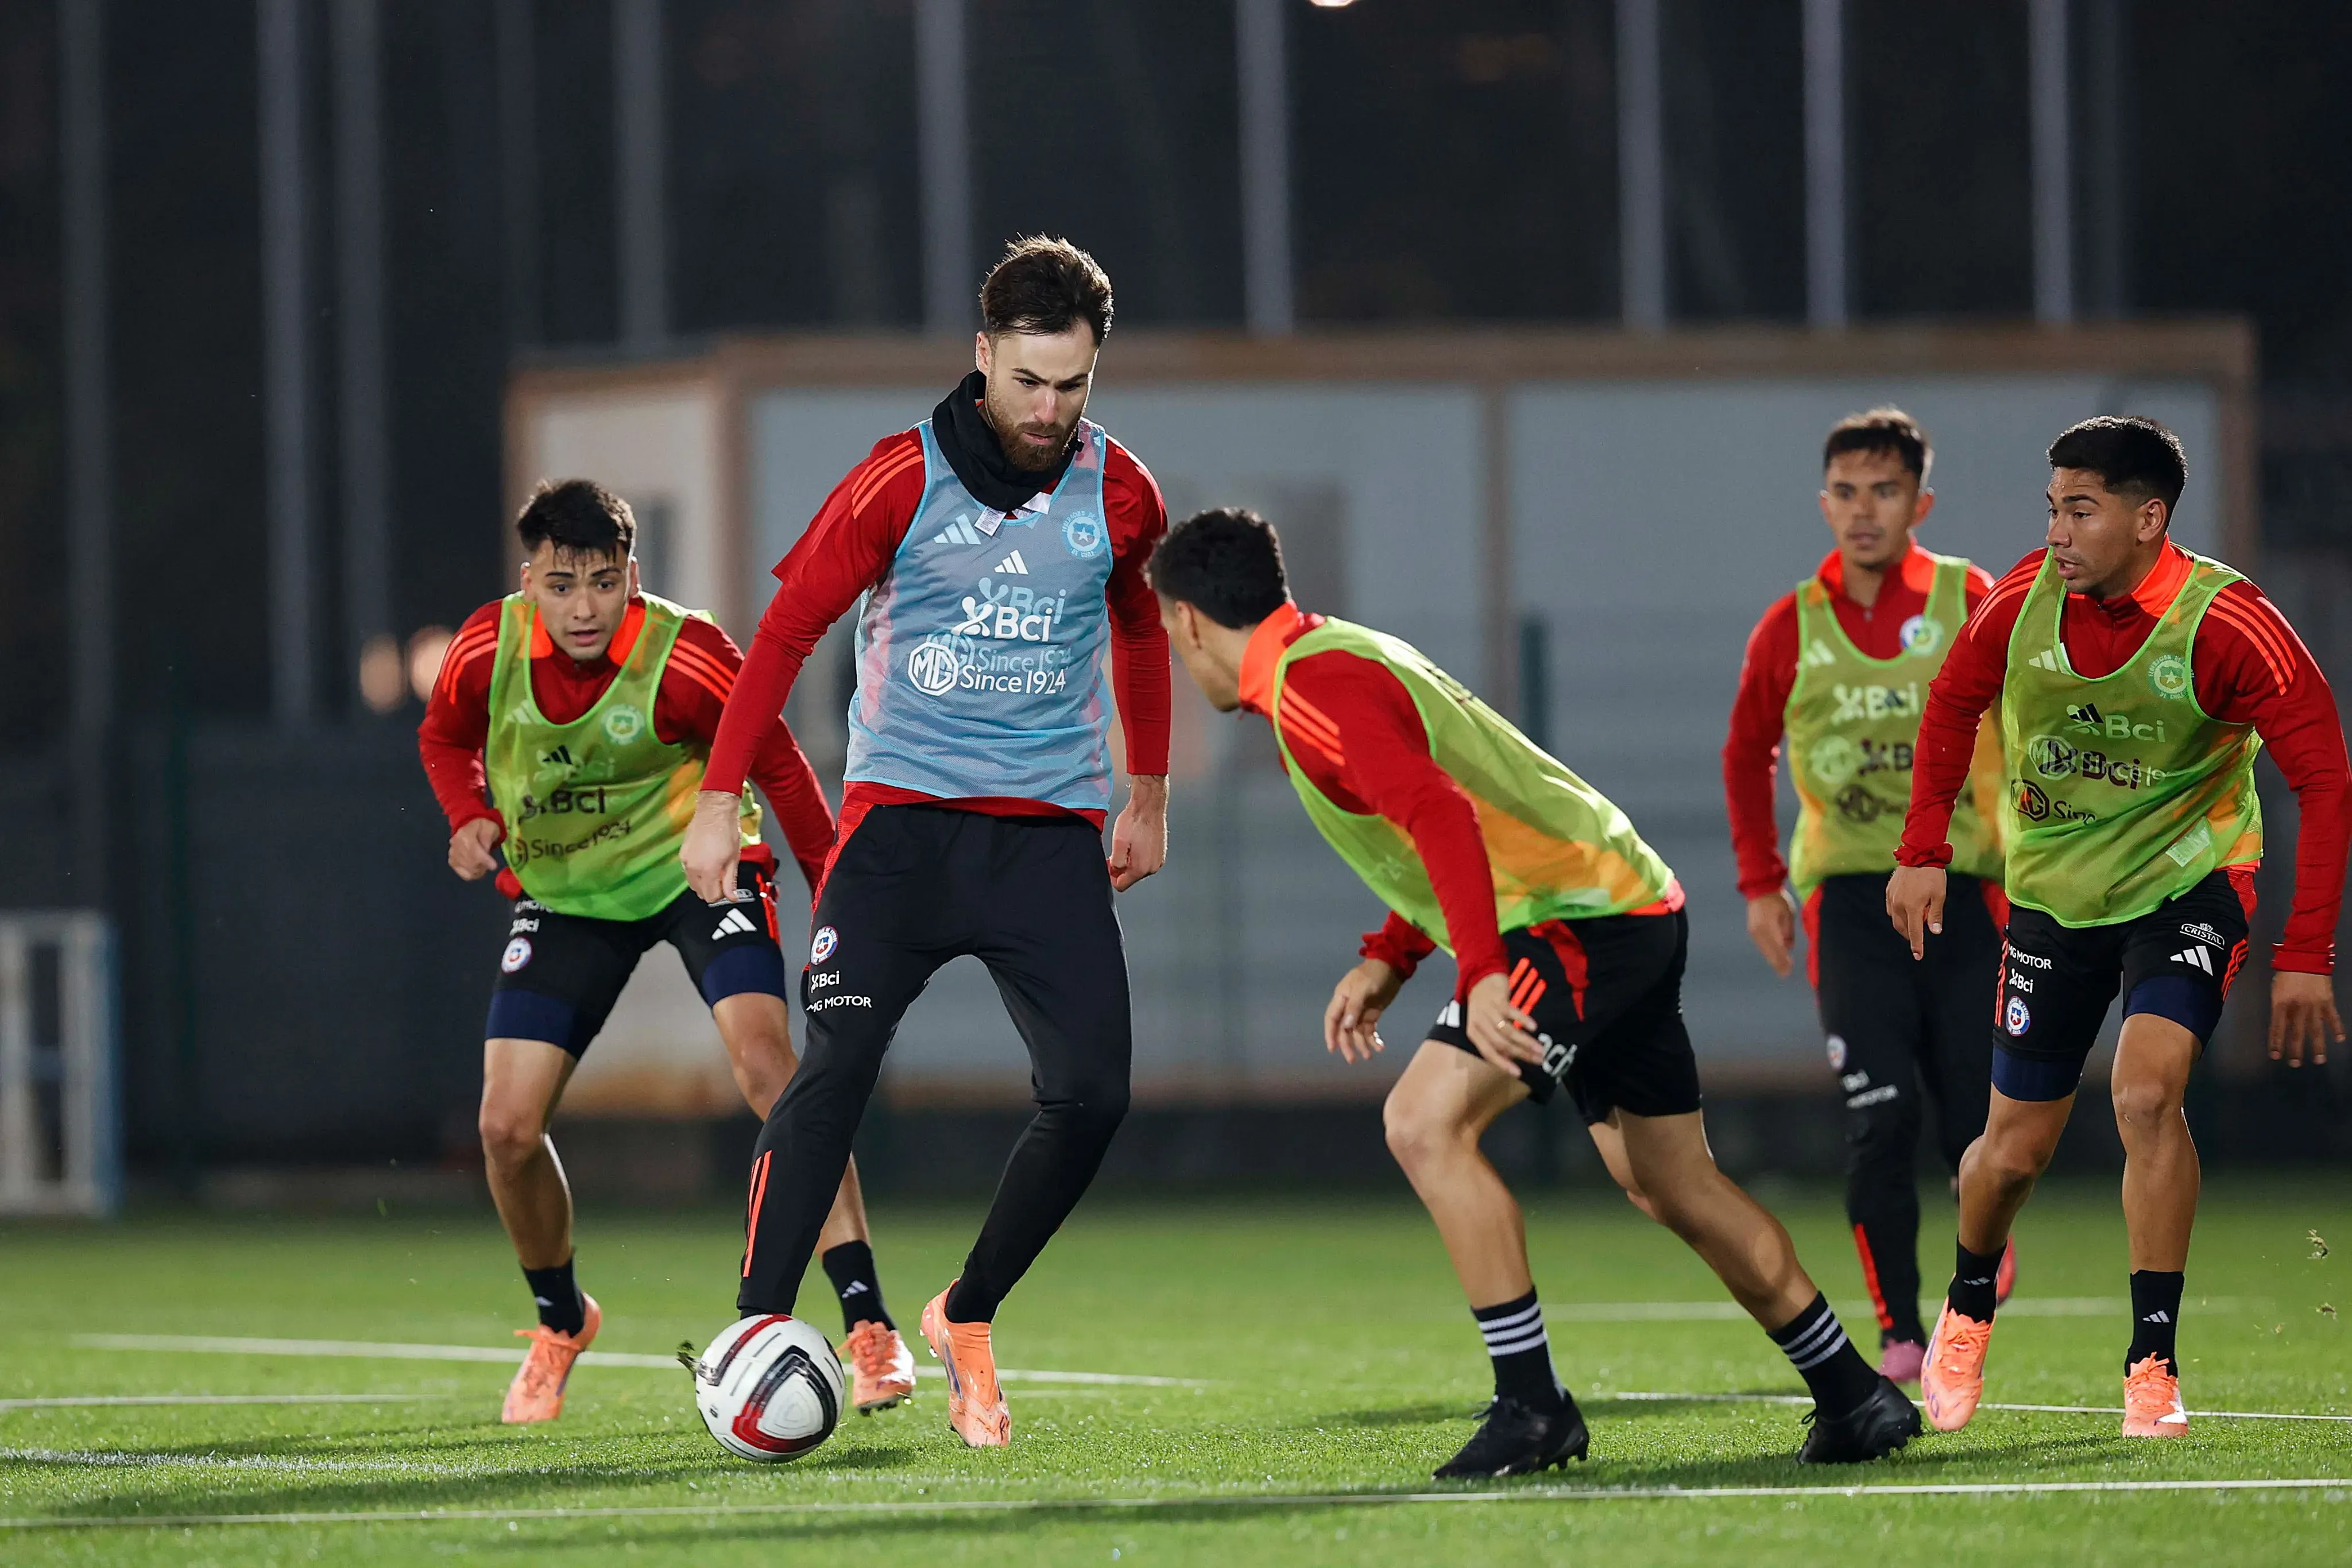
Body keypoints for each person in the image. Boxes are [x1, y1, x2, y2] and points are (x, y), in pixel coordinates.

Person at [1150, 507, 1919, 1476]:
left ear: (1185, 622)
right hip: (1622, 901)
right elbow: (1452, 805)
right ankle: (1853, 1395)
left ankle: (1532, 1406)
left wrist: (1474, 973)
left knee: (1423, 1123)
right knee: (1672, 1179)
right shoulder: (1334, 655)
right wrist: (1392, 951)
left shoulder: (1312, 685)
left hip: (1574, 920)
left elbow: (1435, 812)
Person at [680, 236, 1171, 1450]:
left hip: (1045, 841)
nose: (1049, 410)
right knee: (832, 1072)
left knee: (1093, 1094)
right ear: (981, 359)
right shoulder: (897, 480)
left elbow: (1142, 632)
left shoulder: (1120, 493)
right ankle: (753, 1331)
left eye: (1072, 385)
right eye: (1027, 382)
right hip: (896, 831)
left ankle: (965, 1311)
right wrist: (713, 798)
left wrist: (1146, 792)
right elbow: (785, 632)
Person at [1889, 416, 2349, 1438]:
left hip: (2188, 884)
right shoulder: (2023, 599)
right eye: (2052, 507)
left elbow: (2326, 776)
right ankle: (1967, 1304)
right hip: (2054, 897)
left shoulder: (2228, 622)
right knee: (2009, 1155)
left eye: (2080, 509)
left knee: (2148, 1095)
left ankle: (2153, 1362)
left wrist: (2305, 952)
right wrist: (1922, 851)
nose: (2056, 531)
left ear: (2150, 518)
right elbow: (1953, 703)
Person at [419, 479, 912, 1425]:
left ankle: (867, 1323)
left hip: (701, 877)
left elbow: (778, 763)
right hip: (566, 896)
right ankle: (562, 1322)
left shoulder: (685, 653)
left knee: (776, 1073)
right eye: (561, 585)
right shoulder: (487, 649)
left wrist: (836, 907)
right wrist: (469, 814)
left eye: (603, 584)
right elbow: (444, 735)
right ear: (530, 583)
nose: (583, 607)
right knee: (505, 1130)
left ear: (632, 577)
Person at [1723, 408, 2015, 1382]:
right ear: (1824, 503)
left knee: (1978, 1113)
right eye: (1846, 491)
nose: (1863, 510)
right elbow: (1744, 750)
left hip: (1967, 892)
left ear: (1919, 502)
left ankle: (1985, 1242)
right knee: (1880, 1113)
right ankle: (1899, 1330)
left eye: (1884, 490)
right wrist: (1762, 881)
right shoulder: (1790, 622)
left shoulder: (1971, 597)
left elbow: (2027, 713)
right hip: (1848, 898)